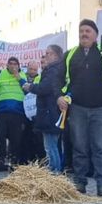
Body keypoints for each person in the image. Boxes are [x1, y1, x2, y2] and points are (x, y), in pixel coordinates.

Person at [59, 18, 102, 196]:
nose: (84, 34)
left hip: (100, 109)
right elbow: (59, 79)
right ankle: (80, 182)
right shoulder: (70, 55)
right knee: (79, 147)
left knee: (100, 147)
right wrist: (59, 96)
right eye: (81, 31)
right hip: (78, 108)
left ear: (95, 36)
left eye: (88, 31)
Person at [25, 44, 66, 172]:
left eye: (47, 53)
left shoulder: (53, 70)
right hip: (51, 111)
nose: (45, 56)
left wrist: (31, 87)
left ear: (55, 55)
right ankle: (54, 171)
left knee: (50, 146)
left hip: (50, 112)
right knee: (52, 145)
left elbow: (45, 88)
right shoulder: (56, 69)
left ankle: (55, 172)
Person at [0, 54, 28, 171]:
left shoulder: (22, 76)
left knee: (16, 139)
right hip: (1, 113)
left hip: (17, 113)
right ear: (7, 65)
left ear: (19, 66)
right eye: (11, 64)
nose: (13, 66)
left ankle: (14, 163)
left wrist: (18, 77)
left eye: (15, 64)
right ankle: (1, 162)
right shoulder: (0, 74)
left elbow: (27, 90)